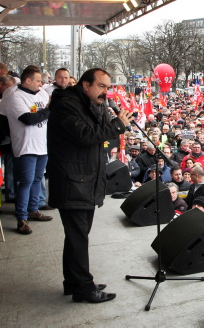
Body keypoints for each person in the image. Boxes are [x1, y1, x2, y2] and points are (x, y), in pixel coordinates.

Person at [48, 68, 132, 303]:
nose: (106, 92)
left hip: (84, 180)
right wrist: (116, 125)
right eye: (101, 86)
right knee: (78, 237)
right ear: (86, 85)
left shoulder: (92, 103)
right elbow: (85, 135)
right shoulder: (66, 105)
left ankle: (74, 282)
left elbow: (101, 135)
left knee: (77, 236)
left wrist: (108, 115)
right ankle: (84, 289)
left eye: (108, 87)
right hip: (72, 182)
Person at [2, 65, 52, 234]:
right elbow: (28, 118)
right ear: (28, 80)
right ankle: (21, 217)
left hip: (42, 146)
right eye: (38, 80)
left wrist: (48, 111)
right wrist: (49, 110)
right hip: (25, 146)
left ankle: (33, 209)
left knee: (38, 179)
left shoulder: (42, 93)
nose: (41, 84)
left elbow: (46, 115)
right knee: (25, 182)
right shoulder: (16, 97)